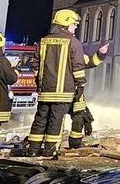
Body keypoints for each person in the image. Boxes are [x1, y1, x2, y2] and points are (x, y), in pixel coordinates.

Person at [26, 9, 104, 157]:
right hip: (63, 92)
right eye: (74, 24)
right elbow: (78, 67)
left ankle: (33, 149)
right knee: (56, 121)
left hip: (45, 91)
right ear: (66, 24)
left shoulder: (43, 41)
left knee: (40, 120)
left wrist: (40, 82)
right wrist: (80, 85)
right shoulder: (73, 43)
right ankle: (50, 151)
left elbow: (35, 65)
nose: (75, 27)